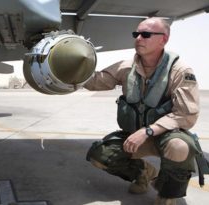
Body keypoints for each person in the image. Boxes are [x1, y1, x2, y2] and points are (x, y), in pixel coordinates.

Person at [84, 17, 203, 205]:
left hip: (167, 135)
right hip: (135, 135)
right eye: (136, 34)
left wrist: (148, 130)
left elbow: (186, 115)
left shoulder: (179, 71)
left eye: (146, 34)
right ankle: (143, 172)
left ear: (163, 39)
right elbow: (97, 81)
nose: (138, 38)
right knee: (99, 156)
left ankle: (167, 194)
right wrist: (71, 69)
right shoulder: (126, 67)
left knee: (180, 147)